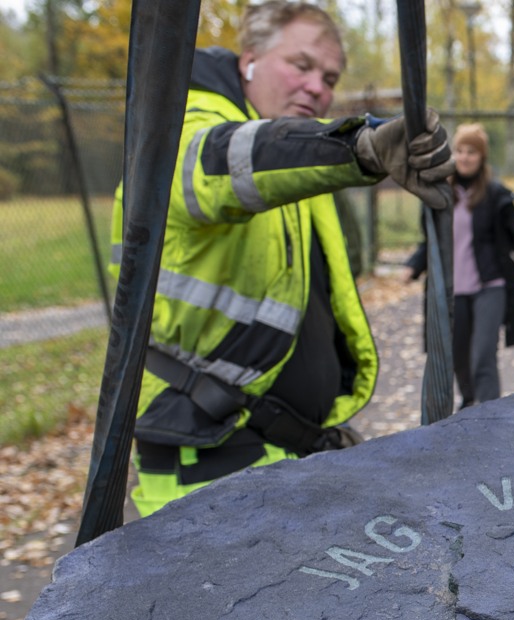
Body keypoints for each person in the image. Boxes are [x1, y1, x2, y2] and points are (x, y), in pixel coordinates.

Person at [113, 1, 453, 516]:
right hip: (208, 462)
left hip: (283, 453)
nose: (318, 86)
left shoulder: (302, 173)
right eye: (301, 65)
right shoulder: (180, 133)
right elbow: (229, 161)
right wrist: (357, 146)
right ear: (248, 60)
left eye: (330, 77)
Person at [406, 123, 514, 407]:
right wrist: (413, 266)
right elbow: (431, 241)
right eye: (460, 150)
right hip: (453, 290)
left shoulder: (496, 196)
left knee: (482, 355)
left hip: (490, 286)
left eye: (471, 151)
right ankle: (470, 404)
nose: (465, 157)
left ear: (482, 157)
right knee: (458, 357)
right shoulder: (441, 196)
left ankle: (491, 415)